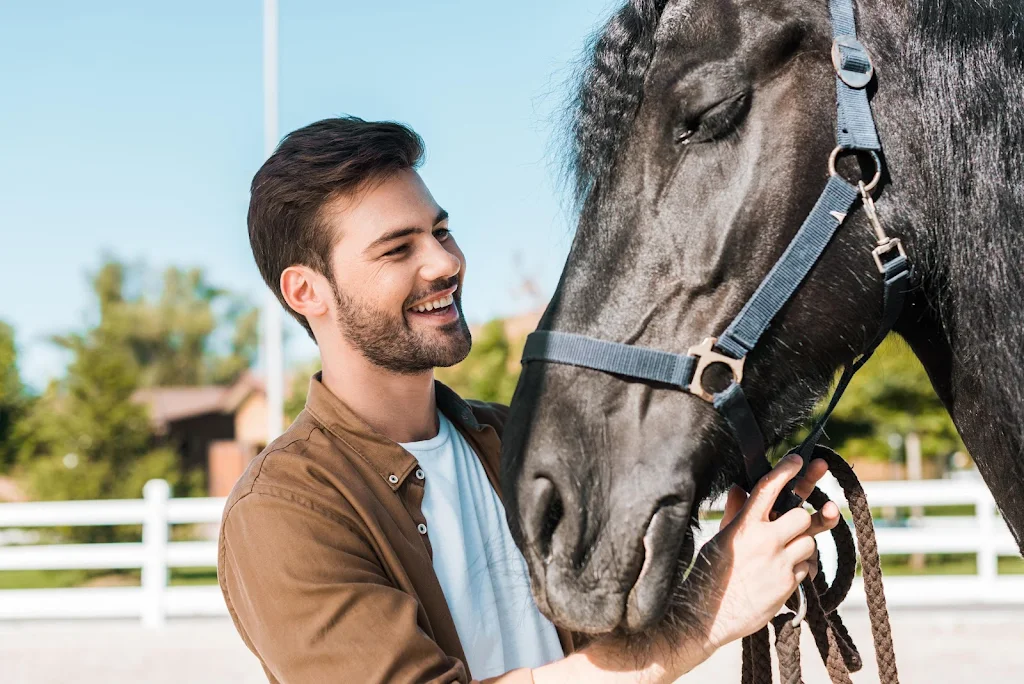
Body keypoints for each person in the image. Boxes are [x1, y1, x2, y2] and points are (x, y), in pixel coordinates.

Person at [218, 116, 840, 684]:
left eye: (441, 231)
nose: (444, 261)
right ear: (306, 292)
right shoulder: (284, 511)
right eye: (397, 248)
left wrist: (738, 543)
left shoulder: (521, 437)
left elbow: (610, 642)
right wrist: (710, 611)